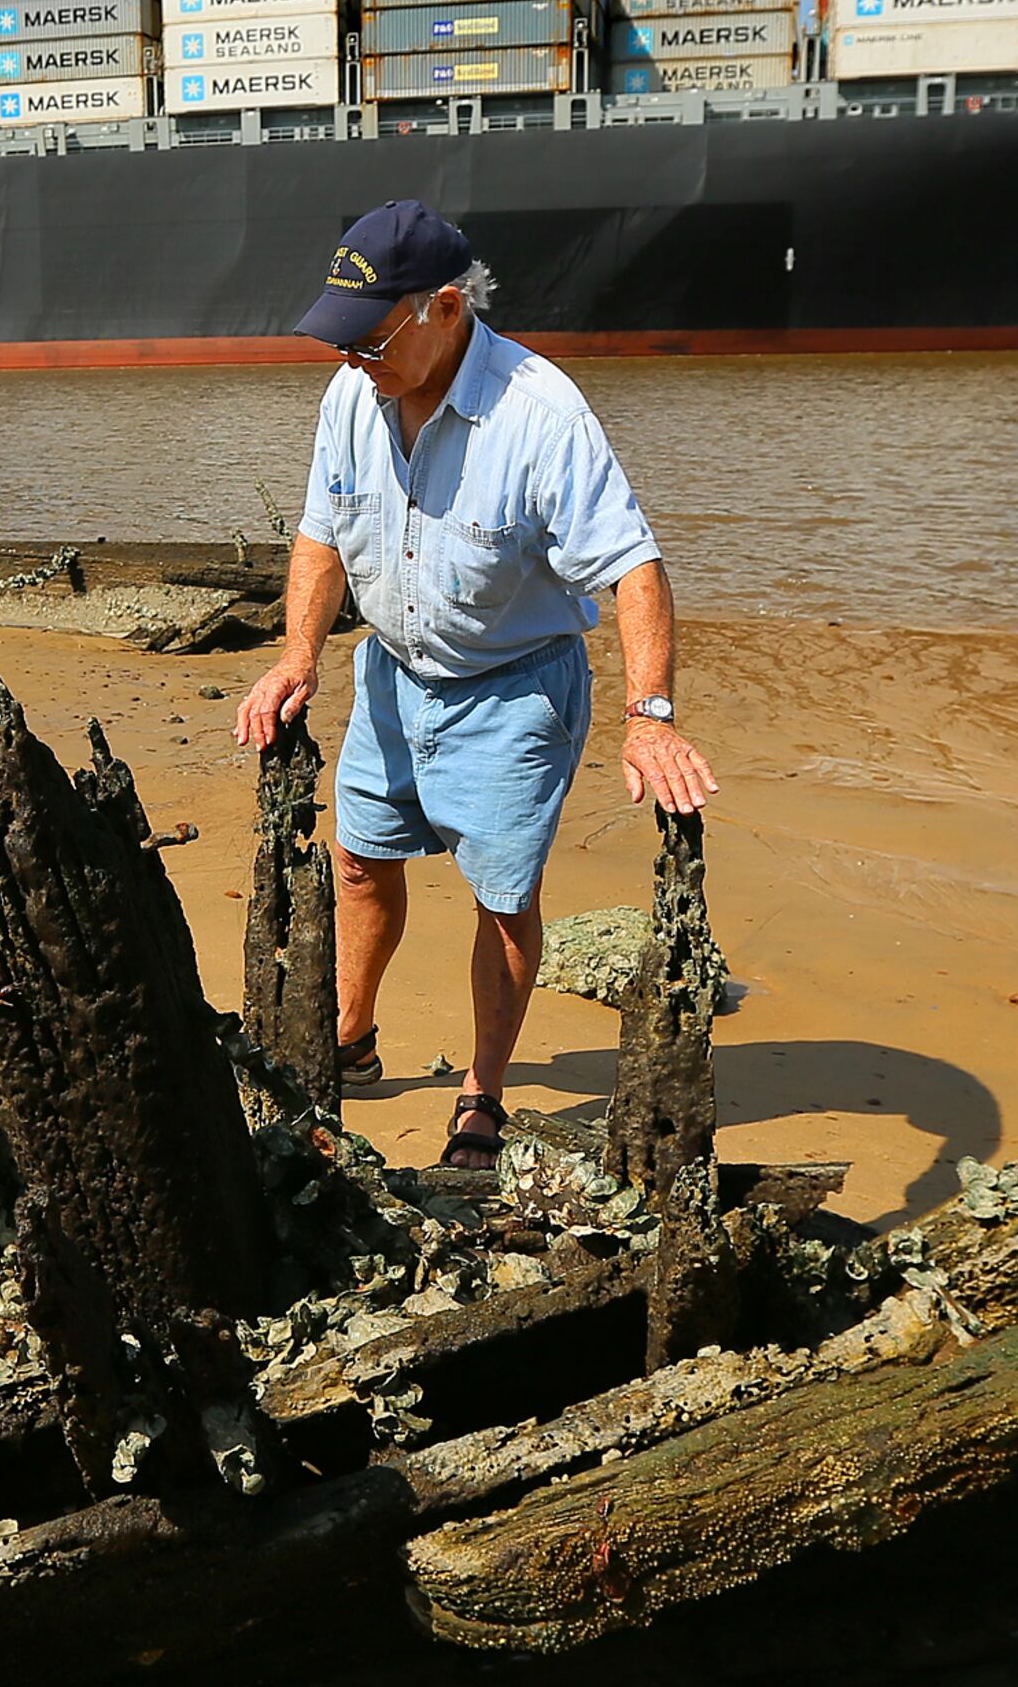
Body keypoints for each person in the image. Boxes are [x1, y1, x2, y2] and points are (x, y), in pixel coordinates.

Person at [234, 198, 715, 1167]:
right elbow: (322, 535)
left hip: (511, 687)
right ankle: (351, 1037)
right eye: (341, 339)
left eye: (367, 338)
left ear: (445, 308)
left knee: (501, 898)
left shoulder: (542, 415)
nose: (350, 360)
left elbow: (634, 568)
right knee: (362, 859)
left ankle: (481, 1093)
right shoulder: (352, 395)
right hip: (391, 674)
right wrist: (298, 658)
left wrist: (650, 716)